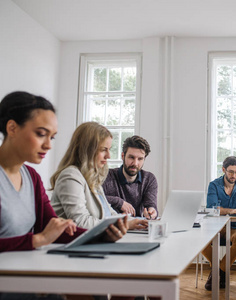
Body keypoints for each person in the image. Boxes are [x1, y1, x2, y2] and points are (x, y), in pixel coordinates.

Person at [0, 91, 127, 300]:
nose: (49, 145)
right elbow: (44, 236)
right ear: (12, 128)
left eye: (52, 137)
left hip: (28, 279)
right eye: (41, 134)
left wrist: (101, 236)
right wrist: (36, 240)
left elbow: (57, 228)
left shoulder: (31, 176)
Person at [50, 122, 146, 230]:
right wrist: (124, 225)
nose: (108, 156)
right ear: (87, 150)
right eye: (104, 149)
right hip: (70, 245)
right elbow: (81, 222)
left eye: (109, 149)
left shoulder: (91, 178)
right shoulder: (70, 176)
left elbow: (110, 214)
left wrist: (139, 222)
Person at [202, 156, 236, 291]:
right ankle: (219, 270)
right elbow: (212, 208)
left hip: (235, 227)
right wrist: (230, 211)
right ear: (223, 170)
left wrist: (225, 211)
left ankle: (219, 272)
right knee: (201, 239)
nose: (234, 175)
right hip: (215, 227)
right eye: (230, 172)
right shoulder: (214, 185)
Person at [102, 135, 158, 219]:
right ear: (123, 156)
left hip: (138, 228)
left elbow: (150, 204)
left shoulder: (149, 179)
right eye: (131, 157)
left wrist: (152, 211)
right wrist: (119, 202)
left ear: (144, 159)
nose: (135, 163)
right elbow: (94, 199)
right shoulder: (106, 175)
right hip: (113, 226)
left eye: (140, 159)